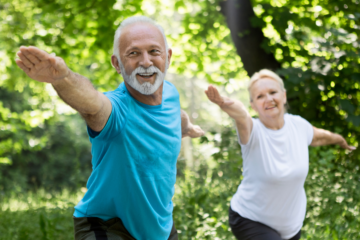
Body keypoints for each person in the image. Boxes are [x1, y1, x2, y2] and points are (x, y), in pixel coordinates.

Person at [16, 16, 204, 240]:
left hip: (160, 227)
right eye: (133, 53)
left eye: (154, 51)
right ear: (117, 64)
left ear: (168, 57)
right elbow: (92, 105)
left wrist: (188, 128)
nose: (146, 62)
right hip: (106, 225)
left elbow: (176, 116)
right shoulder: (117, 109)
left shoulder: (171, 93)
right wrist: (63, 78)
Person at [205, 69, 355, 240]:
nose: (268, 99)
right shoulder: (252, 131)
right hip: (250, 219)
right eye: (260, 96)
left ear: (283, 96)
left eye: (273, 92)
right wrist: (223, 102)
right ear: (253, 105)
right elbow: (241, 114)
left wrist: (341, 140)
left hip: (291, 227)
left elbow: (320, 137)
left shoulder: (298, 125)